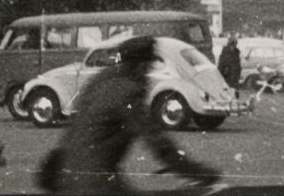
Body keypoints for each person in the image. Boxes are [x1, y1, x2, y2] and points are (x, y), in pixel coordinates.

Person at [37, 36, 220, 195]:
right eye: (149, 67)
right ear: (141, 65)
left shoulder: (99, 81)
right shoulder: (128, 92)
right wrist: (196, 171)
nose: (148, 74)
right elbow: (157, 143)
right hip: (94, 184)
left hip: (65, 178)